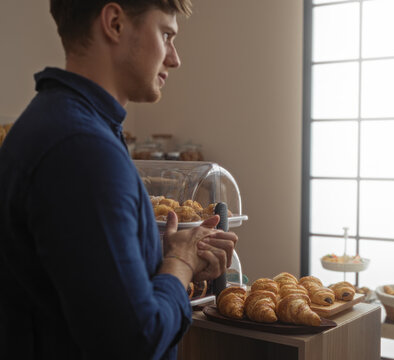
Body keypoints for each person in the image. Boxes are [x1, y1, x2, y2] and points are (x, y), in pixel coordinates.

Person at [0, 1, 238, 359]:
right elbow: (133, 340)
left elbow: (71, 274)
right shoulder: (82, 149)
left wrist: (161, 254)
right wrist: (181, 263)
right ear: (114, 23)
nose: (174, 59)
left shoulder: (53, 124)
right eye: (166, 35)